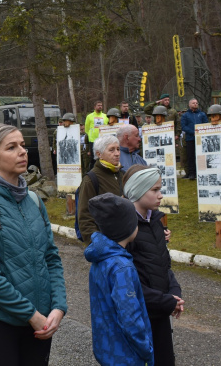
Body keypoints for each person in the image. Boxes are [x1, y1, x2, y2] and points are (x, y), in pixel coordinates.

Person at [0, 123, 67, 365]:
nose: (22, 151)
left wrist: (58, 306)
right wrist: (30, 314)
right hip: (0, 325)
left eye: (22, 144)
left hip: (40, 324)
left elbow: (50, 257)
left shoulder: (33, 200)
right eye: (11, 147)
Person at [83, 193, 154, 366]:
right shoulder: (122, 268)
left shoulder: (101, 258)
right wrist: (146, 349)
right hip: (127, 355)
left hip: (107, 349)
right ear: (128, 227)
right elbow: (130, 317)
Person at [123, 165, 184, 365]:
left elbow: (164, 264)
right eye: (155, 190)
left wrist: (174, 293)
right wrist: (165, 300)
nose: (161, 195)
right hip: (140, 315)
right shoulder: (126, 230)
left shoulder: (156, 222)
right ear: (138, 191)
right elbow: (128, 283)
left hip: (160, 311)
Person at [76, 134, 124, 243]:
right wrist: (99, 247)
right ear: (99, 154)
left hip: (126, 242)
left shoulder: (123, 175)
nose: (117, 153)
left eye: (118, 149)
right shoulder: (91, 179)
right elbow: (84, 218)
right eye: (111, 150)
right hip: (106, 245)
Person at [180, 98, 208, 180]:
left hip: (201, 139)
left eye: (196, 103)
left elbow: (205, 124)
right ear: (189, 105)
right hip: (190, 138)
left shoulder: (202, 114)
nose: (195, 104)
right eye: (193, 103)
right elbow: (184, 126)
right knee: (191, 156)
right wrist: (193, 132)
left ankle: (202, 171)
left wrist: (201, 132)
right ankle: (192, 173)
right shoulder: (185, 115)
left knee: (201, 156)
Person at [84, 100, 109, 170]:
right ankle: (93, 171)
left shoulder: (105, 116)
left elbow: (107, 127)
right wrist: (91, 135)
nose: (100, 107)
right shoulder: (89, 116)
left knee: (103, 157)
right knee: (93, 158)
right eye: (98, 105)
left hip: (103, 140)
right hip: (93, 140)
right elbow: (87, 128)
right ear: (94, 107)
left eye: (101, 105)